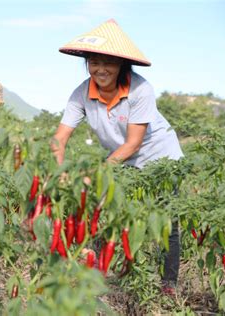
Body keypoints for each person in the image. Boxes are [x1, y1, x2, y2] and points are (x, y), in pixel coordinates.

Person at [51, 19, 183, 295]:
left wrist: (97, 172)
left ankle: (168, 284)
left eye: (108, 62)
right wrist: (60, 171)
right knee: (104, 209)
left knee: (166, 218)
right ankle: (97, 276)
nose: (100, 69)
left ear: (122, 64)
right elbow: (59, 139)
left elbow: (134, 143)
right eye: (94, 61)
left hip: (161, 158)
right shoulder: (81, 93)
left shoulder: (140, 89)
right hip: (122, 158)